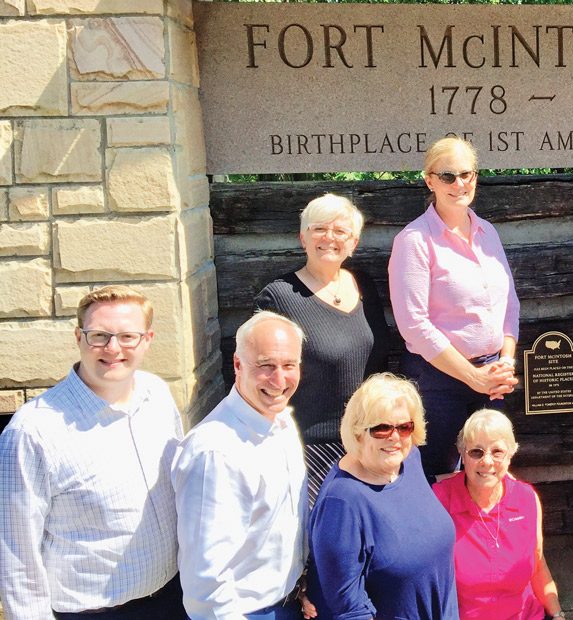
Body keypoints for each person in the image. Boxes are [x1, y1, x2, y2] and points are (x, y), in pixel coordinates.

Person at [0, 285, 186, 619]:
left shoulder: (157, 396)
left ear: (147, 339)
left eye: (128, 336)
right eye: (99, 335)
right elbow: (16, 557)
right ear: (78, 337)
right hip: (91, 612)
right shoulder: (33, 432)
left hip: (172, 597)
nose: (113, 348)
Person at [389, 136, 519, 479]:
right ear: (429, 180)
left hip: (491, 378)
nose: (459, 184)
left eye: (467, 174)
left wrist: (505, 361)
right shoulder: (414, 241)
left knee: (488, 474)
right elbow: (414, 325)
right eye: (448, 176)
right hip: (438, 383)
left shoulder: (487, 232)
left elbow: (509, 304)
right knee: (440, 477)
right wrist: (471, 376)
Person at [255, 192, 389, 504]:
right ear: (303, 237)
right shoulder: (278, 298)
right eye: (319, 229)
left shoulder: (364, 286)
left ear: (353, 243)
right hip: (311, 448)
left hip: (369, 439)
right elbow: (259, 380)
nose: (329, 237)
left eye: (340, 231)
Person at [172, 311, 308, 619]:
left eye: (289, 365)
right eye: (265, 366)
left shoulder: (281, 421)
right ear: (237, 365)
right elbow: (205, 584)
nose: (279, 380)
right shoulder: (215, 453)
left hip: (289, 602)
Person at [307, 373, 458, 619]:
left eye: (404, 427)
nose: (395, 437)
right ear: (357, 433)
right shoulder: (342, 502)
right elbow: (348, 609)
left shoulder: (410, 461)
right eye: (381, 428)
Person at [433, 409, 563, 619]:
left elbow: (538, 566)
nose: (487, 461)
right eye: (476, 451)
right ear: (462, 456)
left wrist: (558, 614)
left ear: (510, 456)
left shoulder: (527, 499)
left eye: (497, 452)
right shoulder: (440, 501)